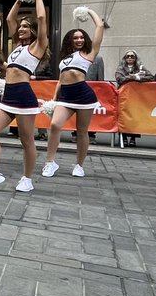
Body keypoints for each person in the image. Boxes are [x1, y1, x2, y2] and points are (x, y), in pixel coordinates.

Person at [0, 0, 48, 193]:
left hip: (24, 95)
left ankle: (27, 178)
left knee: (26, 140)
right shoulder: (17, 47)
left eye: (26, 26)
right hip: (8, 94)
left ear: (33, 30)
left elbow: (42, 18)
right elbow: (10, 19)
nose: (21, 28)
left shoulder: (38, 45)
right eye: (21, 26)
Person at [41, 9, 107, 179]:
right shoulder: (65, 57)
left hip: (84, 96)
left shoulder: (90, 53)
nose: (79, 40)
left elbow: (100, 26)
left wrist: (88, 11)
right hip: (65, 97)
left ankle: (79, 165)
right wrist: (55, 98)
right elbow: (61, 79)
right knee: (55, 125)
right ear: (70, 40)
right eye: (75, 37)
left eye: (81, 37)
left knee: (81, 131)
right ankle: (50, 162)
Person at [114, 50, 151, 146]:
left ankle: (133, 138)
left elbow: (151, 77)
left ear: (135, 58)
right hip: (123, 96)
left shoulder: (141, 68)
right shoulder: (120, 68)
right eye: (128, 56)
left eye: (132, 56)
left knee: (135, 116)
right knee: (123, 116)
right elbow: (119, 79)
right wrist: (133, 77)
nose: (130, 58)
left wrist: (140, 78)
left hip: (136, 97)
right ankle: (123, 137)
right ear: (125, 58)